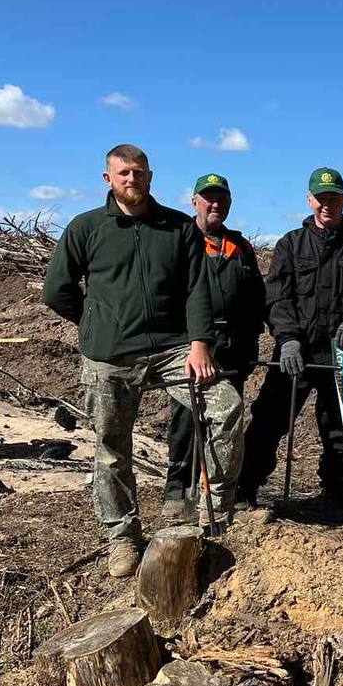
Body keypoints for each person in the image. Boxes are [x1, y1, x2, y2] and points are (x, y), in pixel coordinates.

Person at [42, 145, 244, 577]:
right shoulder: (86, 227)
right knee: (112, 448)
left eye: (139, 172)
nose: (131, 179)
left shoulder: (177, 228)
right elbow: (57, 289)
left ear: (150, 177)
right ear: (108, 178)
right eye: (123, 173)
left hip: (174, 348)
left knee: (226, 408)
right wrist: (96, 322)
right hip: (110, 355)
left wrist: (200, 344)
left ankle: (215, 514)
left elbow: (198, 291)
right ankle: (122, 537)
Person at [237, 168, 343, 507]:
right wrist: (289, 338)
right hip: (296, 353)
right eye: (321, 198)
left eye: (334, 198)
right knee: (268, 421)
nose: (328, 205)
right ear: (311, 200)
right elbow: (277, 296)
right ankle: (245, 489)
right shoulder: (291, 244)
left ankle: (337, 492)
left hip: (341, 355)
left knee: (340, 429)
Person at [162, 173, 265, 522]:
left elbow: (255, 300)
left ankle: (219, 493)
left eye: (222, 198)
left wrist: (251, 342)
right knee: (186, 419)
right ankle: (178, 490)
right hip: (190, 346)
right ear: (194, 202)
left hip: (233, 348)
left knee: (227, 422)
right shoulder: (179, 240)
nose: (215, 204)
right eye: (208, 198)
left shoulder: (241, 247)